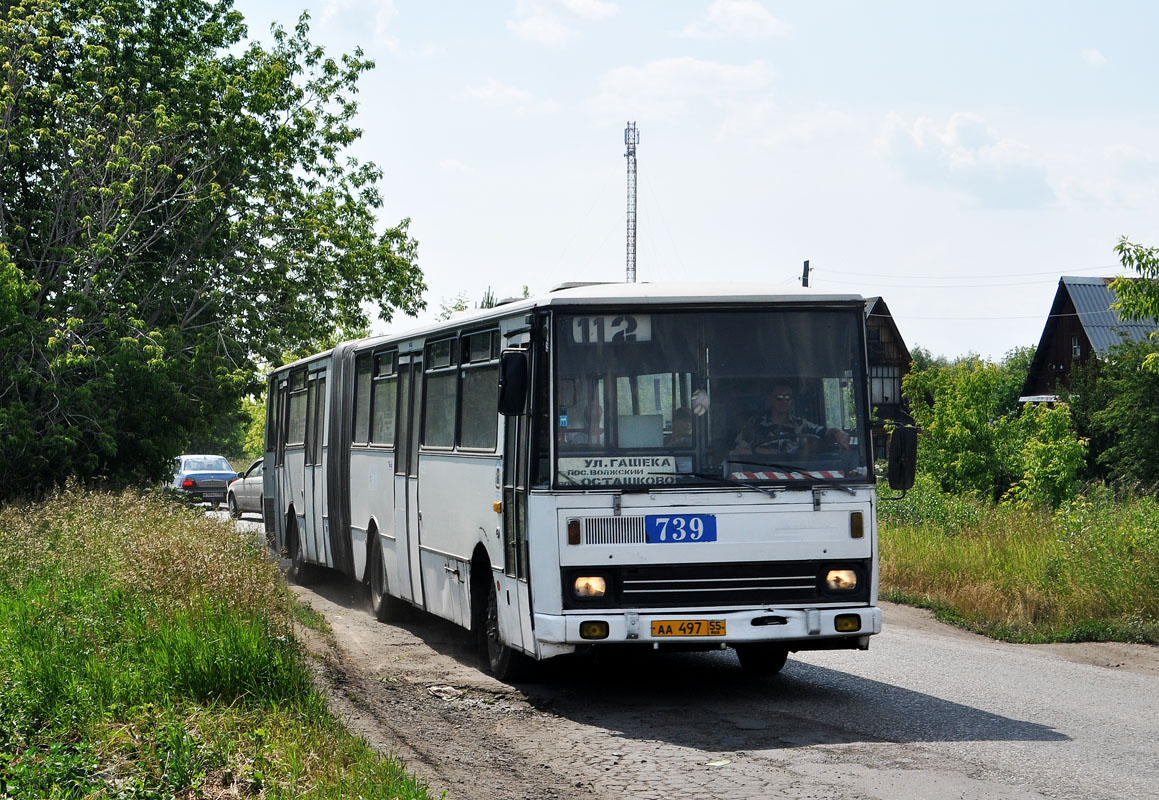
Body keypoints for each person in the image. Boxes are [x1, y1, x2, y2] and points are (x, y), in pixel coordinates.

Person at [731, 381, 850, 458]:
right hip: (761, 477)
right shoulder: (755, 423)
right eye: (779, 398)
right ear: (770, 399)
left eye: (788, 398)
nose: (784, 401)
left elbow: (824, 433)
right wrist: (764, 452)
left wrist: (838, 433)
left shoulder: (800, 424)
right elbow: (738, 452)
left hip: (795, 477)